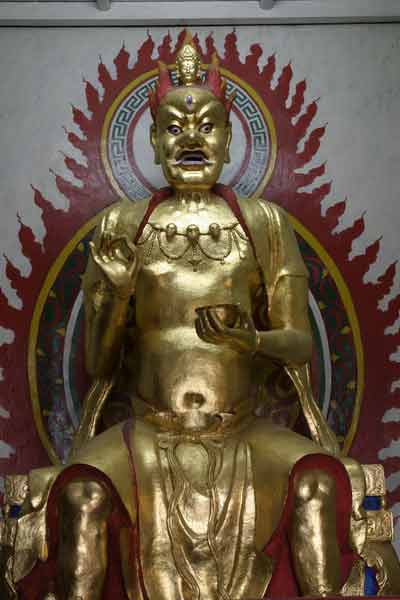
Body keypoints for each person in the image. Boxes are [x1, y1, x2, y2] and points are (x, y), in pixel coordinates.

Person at [2, 33, 400, 600]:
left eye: (207, 126)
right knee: (81, 497)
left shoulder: (264, 224)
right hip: (149, 431)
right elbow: (99, 363)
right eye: (174, 128)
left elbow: (299, 344)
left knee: (317, 483)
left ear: (229, 139)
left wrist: (252, 339)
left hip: (243, 431)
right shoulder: (122, 226)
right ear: (154, 142)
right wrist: (115, 295)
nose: (191, 139)